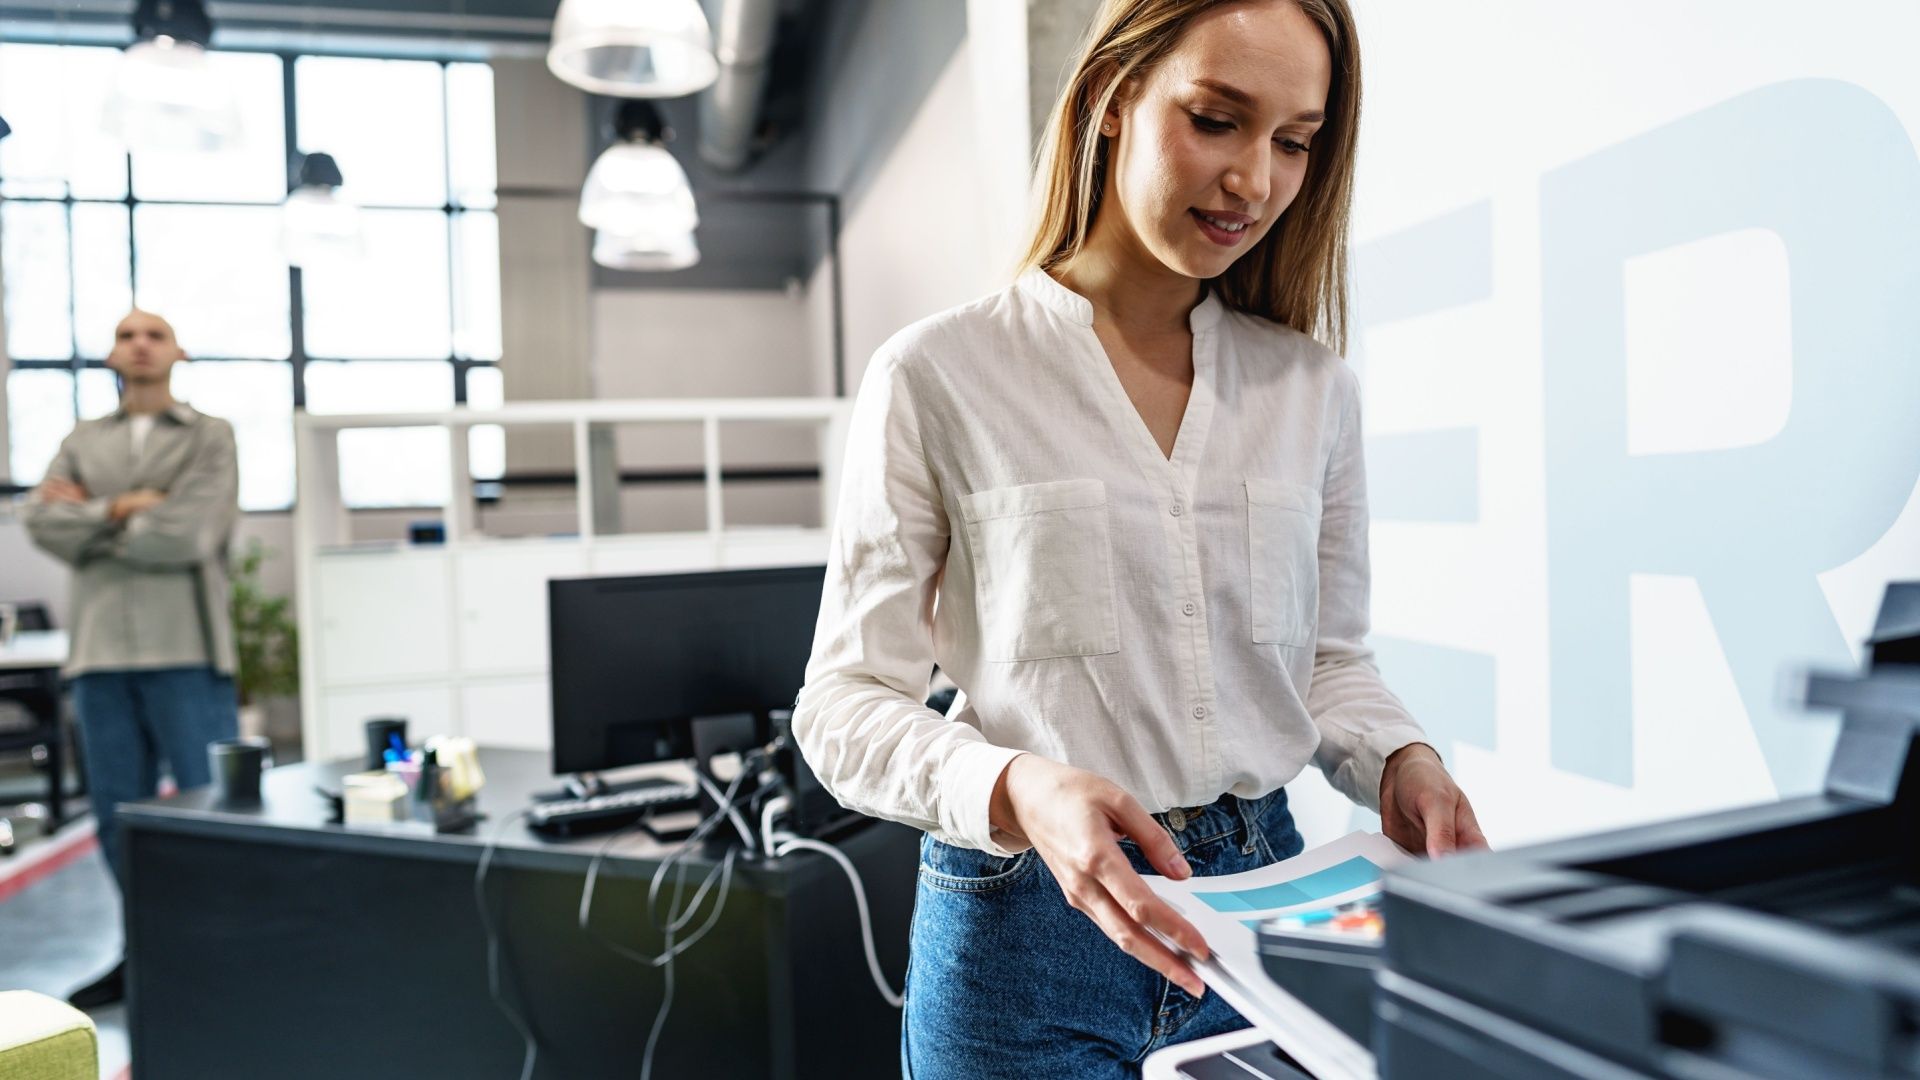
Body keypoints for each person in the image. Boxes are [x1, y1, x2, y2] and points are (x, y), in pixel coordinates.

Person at [791, 1, 1488, 1075]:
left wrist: (1402, 756)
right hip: (1021, 944)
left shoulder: (1311, 390)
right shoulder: (939, 375)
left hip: (1266, 918)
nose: (1255, 180)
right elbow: (841, 709)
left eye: (1294, 142)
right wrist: (1018, 787)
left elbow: (1327, 666)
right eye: (1217, 119)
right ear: (1115, 98)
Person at [22, 309, 240, 1009]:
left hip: (187, 645)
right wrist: (127, 508)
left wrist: (92, 517)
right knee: (118, 811)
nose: (139, 344)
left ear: (179, 350)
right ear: (112, 355)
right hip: (101, 652)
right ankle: (142, 950)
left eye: (154, 333)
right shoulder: (81, 440)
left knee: (211, 807)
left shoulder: (211, 436)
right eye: (125, 335)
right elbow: (39, 522)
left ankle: (215, 947)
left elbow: (189, 537)